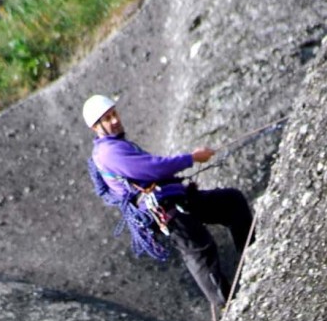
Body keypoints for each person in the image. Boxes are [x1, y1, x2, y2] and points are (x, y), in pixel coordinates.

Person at [83, 94, 252, 309]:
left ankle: (253, 256)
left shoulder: (116, 146)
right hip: (164, 208)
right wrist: (191, 158)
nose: (114, 120)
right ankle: (226, 303)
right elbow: (152, 168)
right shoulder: (109, 153)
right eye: (107, 119)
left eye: (114, 114)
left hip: (174, 198)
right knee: (200, 247)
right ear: (95, 127)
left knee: (231, 202)